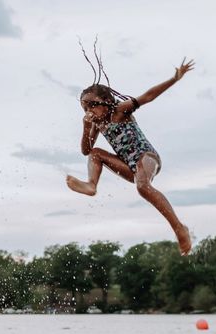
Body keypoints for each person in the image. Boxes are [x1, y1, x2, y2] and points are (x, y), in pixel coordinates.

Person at [65, 57, 195, 256]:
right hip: (128, 166)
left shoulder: (120, 110)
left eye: (92, 106)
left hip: (147, 157)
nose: (89, 112)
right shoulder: (97, 124)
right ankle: (91, 185)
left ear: (107, 102)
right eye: (85, 109)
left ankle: (179, 228)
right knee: (96, 153)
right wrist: (85, 127)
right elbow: (86, 149)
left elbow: (148, 96)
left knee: (143, 186)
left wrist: (174, 78)